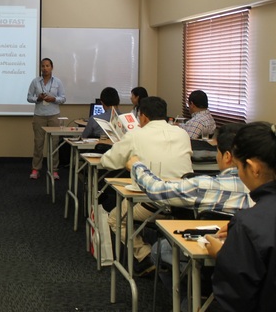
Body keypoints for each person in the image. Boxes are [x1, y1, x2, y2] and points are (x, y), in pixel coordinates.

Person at [127, 123, 252, 298]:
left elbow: (157, 190)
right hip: (255, 269)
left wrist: (136, 166)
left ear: (227, 157)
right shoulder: (265, 194)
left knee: (159, 250)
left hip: (210, 261)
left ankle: (189, 296)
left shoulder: (205, 186)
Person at [103, 96, 193, 275]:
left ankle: (144, 256)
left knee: (114, 219)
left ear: (142, 116)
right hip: (185, 204)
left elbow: (108, 161)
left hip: (155, 203)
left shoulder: (136, 134)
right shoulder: (182, 133)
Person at [205, 122, 276, 311]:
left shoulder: (249, 225)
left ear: (253, 168)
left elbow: (233, 299)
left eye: (238, 167)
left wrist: (222, 255)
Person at [26, 58, 66, 180]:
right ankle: (36, 169)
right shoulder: (35, 82)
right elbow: (28, 97)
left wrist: (53, 99)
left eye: (47, 66)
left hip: (53, 115)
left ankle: (54, 170)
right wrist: (37, 98)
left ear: (51, 67)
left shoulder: (58, 82)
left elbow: (63, 98)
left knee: (54, 144)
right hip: (39, 116)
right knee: (38, 143)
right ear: (41, 68)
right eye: (43, 66)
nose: (45, 68)